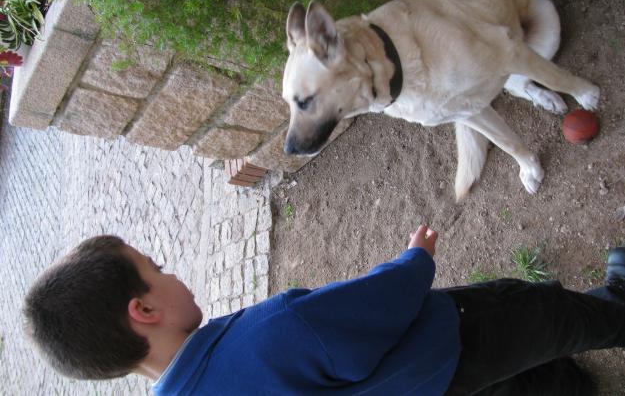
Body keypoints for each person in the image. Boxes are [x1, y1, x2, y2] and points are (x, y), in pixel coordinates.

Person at [23, 225, 625, 395]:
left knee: (514, 376)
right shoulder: (273, 334)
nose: (172, 273)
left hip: (426, 387)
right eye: (157, 270)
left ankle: (564, 382)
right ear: (144, 310)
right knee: (538, 313)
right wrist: (413, 262)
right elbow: (377, 308)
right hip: (449, 343)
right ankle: (616, 310)